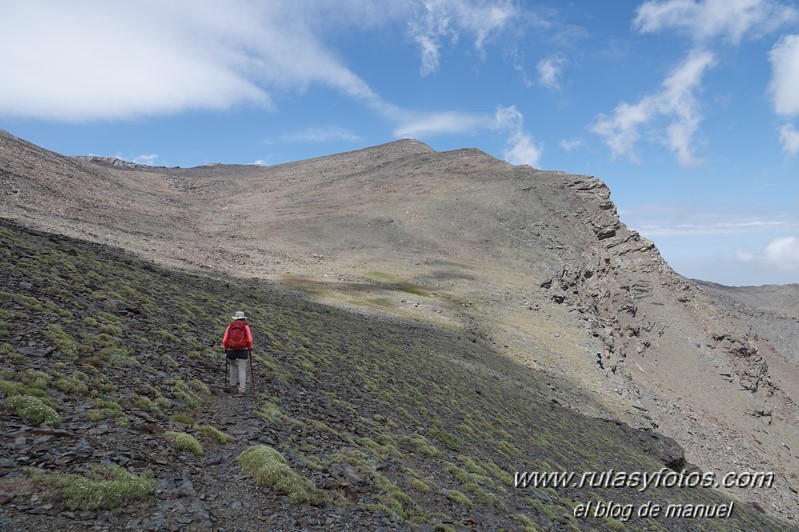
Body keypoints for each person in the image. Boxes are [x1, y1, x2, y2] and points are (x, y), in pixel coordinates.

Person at [222, 311, 253, 395]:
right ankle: (242, 390)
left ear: (235, 318)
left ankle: (232, 384)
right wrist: (250, 348)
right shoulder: (246, 327)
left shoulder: (230, 326)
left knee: (232, 366)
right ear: (243, 318)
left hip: (231, 350)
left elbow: (224, 340)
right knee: (242, 369)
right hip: (243, 350)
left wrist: (225, 348)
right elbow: (249, 340)